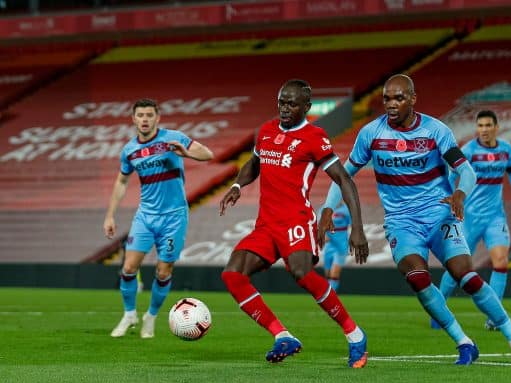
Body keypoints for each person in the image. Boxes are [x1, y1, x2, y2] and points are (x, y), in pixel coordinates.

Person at [319, 74, 511, 365]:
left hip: (439, 215)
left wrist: (460, 193)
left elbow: (467, 171)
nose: (391, 104)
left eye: (398, 98)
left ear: (413, 99)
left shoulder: (435, 130)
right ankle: (463, 341)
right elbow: (343, 176)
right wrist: (326, 209)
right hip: (401, 222)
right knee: (418, 278)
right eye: (386, 98)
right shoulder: (371, 134)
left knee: (467, 275)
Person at [219, 79, 369, 368]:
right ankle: (282, 336)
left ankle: (354, 334)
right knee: (232, 274)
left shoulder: (314, 137)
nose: (284, 109)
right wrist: (238, 186)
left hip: (295, 220)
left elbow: (344, 180)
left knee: (300, 272)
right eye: (281, 102)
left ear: (306, 107)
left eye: (292, 104)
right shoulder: (266, 130)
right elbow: (254, 163)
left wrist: (358, 229)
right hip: (266, 224)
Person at [103, 98, 214, 338]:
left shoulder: (173, 138)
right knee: (129, 267)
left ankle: (150, 317)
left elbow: (208, 154)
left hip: (174, 217)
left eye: (149, 115)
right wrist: (110, 215)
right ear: (133, 119)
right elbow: (122, 181)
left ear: (157, 117)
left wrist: (187, 154)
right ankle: (129, 314)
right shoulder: (129, 150)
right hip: (145, 216)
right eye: (140, 115)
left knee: (163, 272)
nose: (145, 119)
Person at [436, 110, 511, 331]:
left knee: (501, 261)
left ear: (497, 127)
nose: (484, 129)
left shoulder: (505, 149)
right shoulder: (469, 151)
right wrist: (450, 194)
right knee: (456, 266)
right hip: (469, 218)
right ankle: (438, 310)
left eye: (488, 125)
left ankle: (494, 318)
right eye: (480, 125)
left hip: (495, 216)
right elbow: (451, 174)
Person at [319, 202, 351, 291]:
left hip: (341, 246)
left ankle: (331, 296)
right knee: (328, 274)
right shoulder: (324, 208)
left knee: (335, 273)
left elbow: (353, 225)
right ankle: (328, 295)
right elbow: (319, 224)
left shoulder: (346, 209)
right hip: (329, 246)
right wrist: (323, 234)